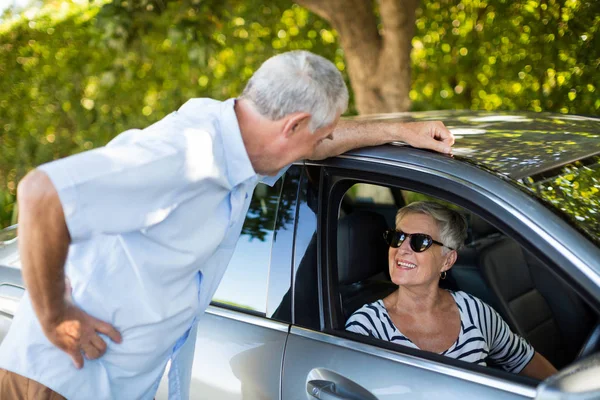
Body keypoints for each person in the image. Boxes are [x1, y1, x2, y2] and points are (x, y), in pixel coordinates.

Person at [0, 50, 454, 399]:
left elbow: (323, 142)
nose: (319, 144)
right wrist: (55, 314)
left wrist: (402, 132)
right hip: (60, 381)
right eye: (315, 135)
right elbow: (42, 193)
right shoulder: (182, 153)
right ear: (292, 125)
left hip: (114, 381)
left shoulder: (241, 135)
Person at [345, 201, 557, 380]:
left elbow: (523, 359)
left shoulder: (474, 311)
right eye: (397, 237)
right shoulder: (366, 327)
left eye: (420, 241)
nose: (402, 249)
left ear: (447, 260)